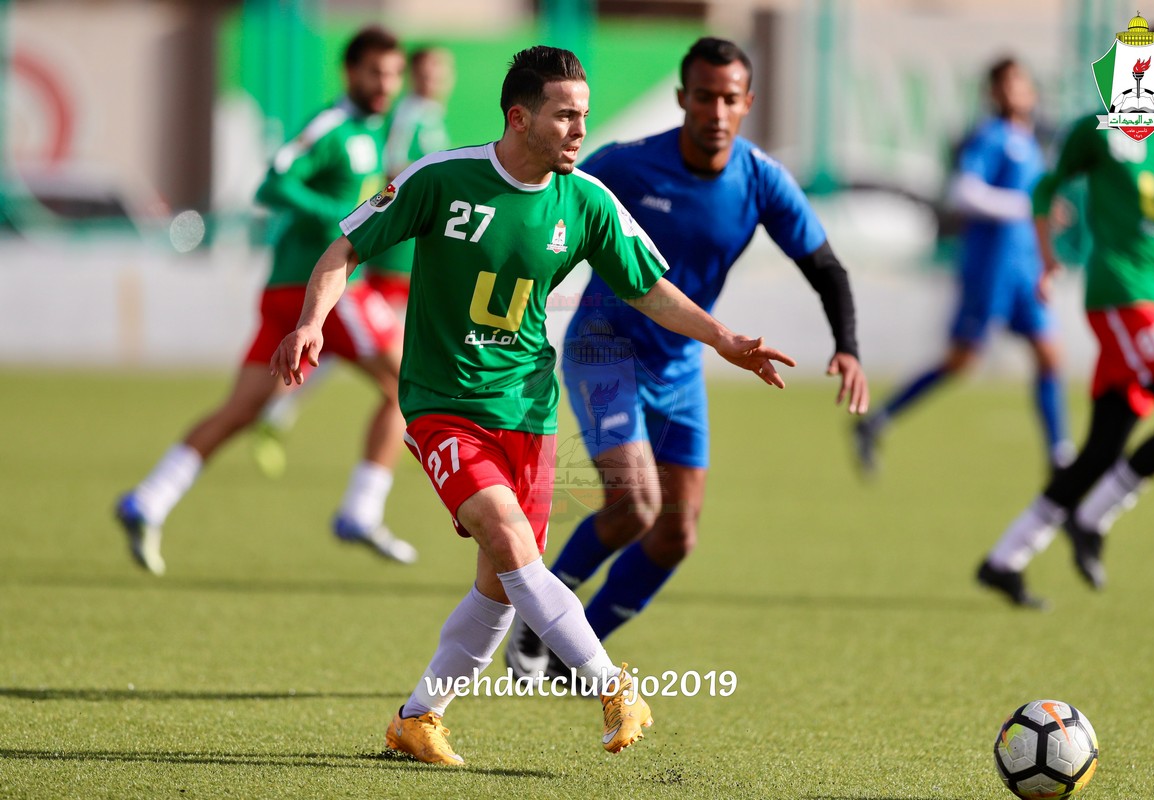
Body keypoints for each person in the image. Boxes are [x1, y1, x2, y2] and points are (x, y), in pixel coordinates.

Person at [270, 45, 796, 765]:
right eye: (565, 115)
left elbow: (647, 287)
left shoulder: (586, 200)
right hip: (444, 406)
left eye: (584, 114)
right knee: (512, 542)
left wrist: (723, 338)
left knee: (500, 586)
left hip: (529, 413)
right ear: (519, 118)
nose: (580, 129)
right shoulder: (442, 178)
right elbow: (345, 248)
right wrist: (312, 321)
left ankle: (418, 719)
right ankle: (613, 687)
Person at [502, 37, 868, 684]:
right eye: (704, 96)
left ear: (748, 102)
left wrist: (848, 346)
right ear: (682, 99)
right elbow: (541, 197)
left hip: (678, 365)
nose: (716, 111)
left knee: (676, 536)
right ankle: (538, 617)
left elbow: (824, 265)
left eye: (729, 98)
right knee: (636, 505)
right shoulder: (627, 165)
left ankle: (572, 656)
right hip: (605, 349)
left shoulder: (761, 179)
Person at [114, 26, 417, 574]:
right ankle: (361, 510)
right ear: (350, 72)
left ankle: (149, 499)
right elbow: (271, 185)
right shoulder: (332, 125)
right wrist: (337, 216)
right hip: (321, 291)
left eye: (393, 74)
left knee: (242, 409)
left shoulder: (373, 131)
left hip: (285, 291)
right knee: (408, 384)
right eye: (375, 72)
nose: (385, 84)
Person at [976, 23, 1154, 608]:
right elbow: (1044, 190)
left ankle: (1005, 559)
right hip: (1120, 295)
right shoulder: (1098, 129)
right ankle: (1095, 516)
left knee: (1104, 445)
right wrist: (1048, 258)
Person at [854, 57, 1072, 476]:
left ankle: (1060, 454)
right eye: (1004, 84)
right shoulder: (991, 137)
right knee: (962, 360)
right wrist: (1028, 206)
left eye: (1019, 83)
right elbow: (964, 193)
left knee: (1050, 353)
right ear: (992, 93)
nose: (1013, 91)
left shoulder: (1031, 140)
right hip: (989, 268)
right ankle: (877, 420)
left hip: (1024, 268)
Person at [251, 47, 457, 476]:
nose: (433, 79)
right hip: (387, 255)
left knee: (355, 346)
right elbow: (393, 172)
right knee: (397, 367)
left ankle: (281, 410)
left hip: (399, 253)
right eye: (426, 71)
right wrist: (361, 213)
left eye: (440, 72)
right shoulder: (402, 116)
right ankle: (367, 487)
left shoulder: (428, 116)